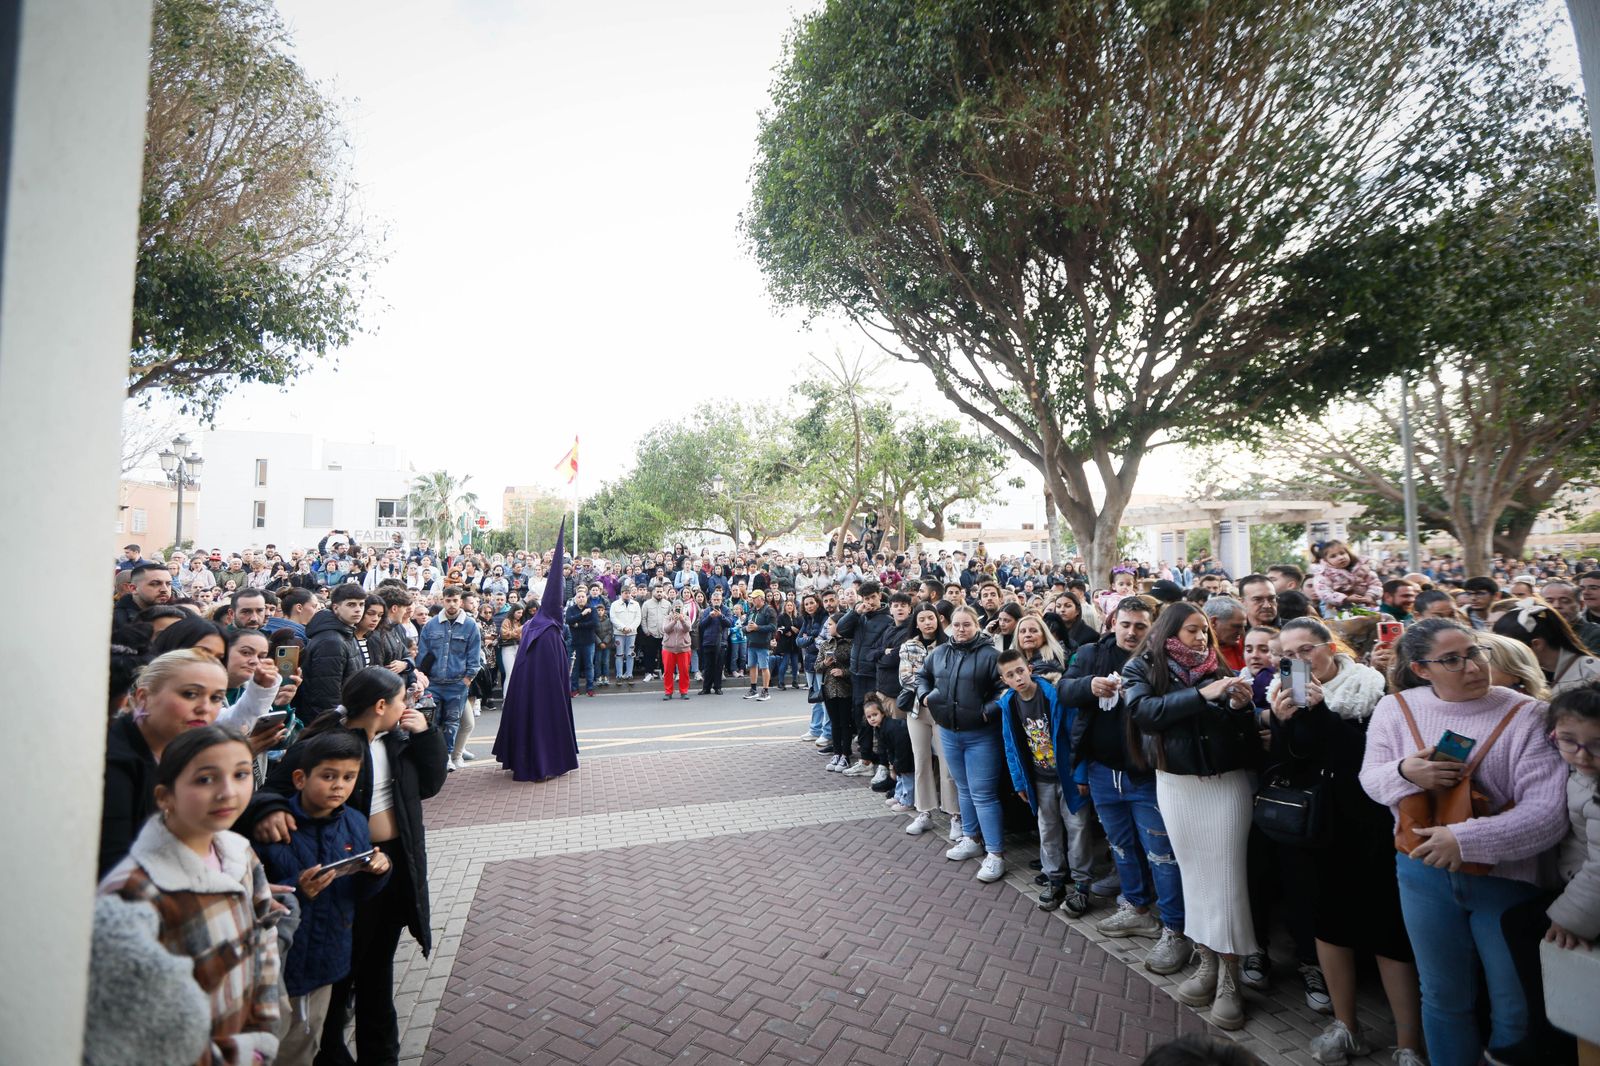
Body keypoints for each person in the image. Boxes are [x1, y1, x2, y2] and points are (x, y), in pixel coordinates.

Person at [1358, 619, 1568, 1066]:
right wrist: (1404, 772)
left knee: (1513, 1004)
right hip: (1421, 872)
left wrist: (1464, 838)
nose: (1473, 667)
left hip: (1507, 880)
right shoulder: (1395, 708)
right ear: (1421, 668)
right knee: (1441, 995)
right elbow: (1371, 779)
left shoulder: (1528, 714)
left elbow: (1548, 814)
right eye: (1452, 660)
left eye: (1475, 652)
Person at [245, 667, 447, 1065]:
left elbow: (429, 785)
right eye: (402, 700)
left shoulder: (398, 740)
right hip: (339, 877)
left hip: (389, 866)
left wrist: (427, 734)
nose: (408, 706)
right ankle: (330, 1049)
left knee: (378, 974)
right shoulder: (329, 745)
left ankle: (381, 1056)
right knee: (339, 976)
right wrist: (268, 810)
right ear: (380, 705)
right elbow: (273, 790)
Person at [1263, 618, 1423, 1066]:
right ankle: (1347, 1026)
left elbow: (1363, 759)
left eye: (1306, 650)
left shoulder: (1372, 689)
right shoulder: (1287, 695)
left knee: (1389, 934)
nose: (1299, 661)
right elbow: (1287, 764)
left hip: (1371, 826)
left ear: (1330, 647)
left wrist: (1322, 714)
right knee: (1329, 927)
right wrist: (1282, 724)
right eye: (1288, 655)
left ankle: (1408, 1043)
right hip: (1317, 829)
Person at [98, 725, 282, 1066]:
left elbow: (265, 940)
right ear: (164, 796)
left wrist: (262, 1035)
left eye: (241, 774)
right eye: (205, 779)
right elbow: (142, 1024)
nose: (228, 792)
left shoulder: (239, 853)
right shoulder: (134, 892)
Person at [1124, 601, 1262, 1031]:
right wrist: (1202, 695)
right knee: (1194, 877)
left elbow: (1243, 735)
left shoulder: (1218, 666)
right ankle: (1206, 961)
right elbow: (1144, 713)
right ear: (1170, 632)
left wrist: (1239, 708)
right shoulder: (1142, 668)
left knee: (1227, 881)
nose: (1202, 638)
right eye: (1192, 630)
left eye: (1204, 630)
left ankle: (1230, 976)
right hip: (1176, 784)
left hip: (1225, 783)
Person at [1063, 598, 1194, 974]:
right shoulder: (1092, 654)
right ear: (1112, 623)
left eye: (1140, 625)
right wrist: (1089, 685)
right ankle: (1136, 909)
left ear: (1153, 627)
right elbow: (1065, 691)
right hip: (1103, 772)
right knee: (1120, 847)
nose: (1132, 632)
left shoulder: (1162, 660)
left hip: (1147, 776)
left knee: (1162, 855)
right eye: (1125, 624)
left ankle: (1175, 929)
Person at [253, 730, 392, 1066]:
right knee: (274, 1050)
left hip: (329, 959)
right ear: (300, 779)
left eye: (348, 777)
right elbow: (255, 895)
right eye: (328, 776)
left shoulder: (355, 822)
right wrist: (299, 890)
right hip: (280, 964)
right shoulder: (274, 827)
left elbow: (357, 894)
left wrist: (377, 871)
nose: (338, 786)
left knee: (312, 1043)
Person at [997, 648, 1094, 915]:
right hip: (1039, 779)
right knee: (1047, 829)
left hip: (1067, 776)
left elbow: (1077, 735)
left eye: (1020, 671)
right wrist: (1019, 781)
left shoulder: (1054, 695)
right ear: (1004, 680)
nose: (1018, 678)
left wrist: (1081, 773)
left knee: (1078, 828)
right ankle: (1055, 880)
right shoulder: (1009, 704)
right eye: (1010, 675)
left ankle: (1082, 885)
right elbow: (1010, 745)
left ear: (1029, 669)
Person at [916, 605, 1006, 883]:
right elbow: (922, 676)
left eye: (967, 624)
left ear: (976, 625)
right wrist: (924, 696)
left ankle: (995, 854)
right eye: (957, 625)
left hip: (981, 734)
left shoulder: (991, 655)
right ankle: (971, 838)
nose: (961, 629)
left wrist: (986, 712)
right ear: (950, 626)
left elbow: (1004, 689)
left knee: (983, 794)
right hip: (949, 732)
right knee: (963, 788)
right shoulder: (939, 653)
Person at [897, 603, 956, 836]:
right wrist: (931, 687)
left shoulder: (949, 644)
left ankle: (955, 815)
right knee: (921, 761)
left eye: (930, 618)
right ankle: (924, 812)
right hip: (916, 709)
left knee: (947, 763)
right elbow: (905, 678)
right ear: (916, 623)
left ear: (938, 619)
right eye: (922, 619)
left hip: (943, 710)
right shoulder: (908, 646)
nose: (927, 623)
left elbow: (952, 677)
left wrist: (928, 685)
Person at [417, 586, 481, 759]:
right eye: (448, 600)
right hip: (433, 683)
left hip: (457, 683)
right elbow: (423, 654)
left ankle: (447, 757)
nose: (452, 604)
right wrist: (423, 678)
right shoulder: (431, 625)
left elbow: (474, 655)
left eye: (455, 600)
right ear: (443, 601)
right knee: (431, 721)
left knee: (452, 722)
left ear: (461, 601)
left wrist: (467, 679)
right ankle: (434, 757)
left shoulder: (470, 625)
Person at [1491, 601, 1600, 695]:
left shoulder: (1592, 673)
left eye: (1508, 648)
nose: (1503, 655)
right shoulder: (1521, 674)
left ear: (1537, 644)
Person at [299, 584, 369, 722]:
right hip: (328, 722)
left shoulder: (345, 632)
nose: (358, 609)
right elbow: (327, 696)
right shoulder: (331, 641)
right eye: (351, 604)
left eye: (361, 604)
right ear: (336, 608)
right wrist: (335, 725)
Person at [816, 616, 856, 774]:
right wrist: (825, 664)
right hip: (829, 690)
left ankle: (846, 755)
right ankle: (837, 753)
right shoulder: (825, 644)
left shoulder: (851, 643)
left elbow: (856, 667)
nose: (827, 627)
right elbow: (816, 666)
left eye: (830, 624)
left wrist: (843, 672)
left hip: (846, 689)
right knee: (835, 723)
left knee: (845, 723)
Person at [1310, 541, 1382, 615]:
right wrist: (1345, 598)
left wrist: (1370, 595)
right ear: (1326, 561)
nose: (1341, 557)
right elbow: (1324, 592)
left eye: (1342, 553)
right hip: (1337, 609)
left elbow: (1375, 583)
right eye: (1333, 556)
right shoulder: (1324, 574)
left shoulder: (1361, 568)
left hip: (1364, 604)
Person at [742, 589, 777, 702]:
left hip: (763, 644)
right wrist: (746, 629)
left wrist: (758, 628)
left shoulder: (769, 610)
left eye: (754, 598)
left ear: (761, 598)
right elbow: (743, 626)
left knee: (764, 667)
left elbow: (773, 627)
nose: (752, 599)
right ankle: (753, 689)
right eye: (752, 598)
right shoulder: (751, 610)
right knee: (752, 666)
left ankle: (765, 691)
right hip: (751, 643)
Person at [699, 589, 732, 696]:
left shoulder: (726, 610)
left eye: (718, 599)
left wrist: (720, 616)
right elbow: (701, 625)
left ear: (721, 600)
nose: (716, 601)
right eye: (715, 599)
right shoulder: (706, 611)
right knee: (708, 667)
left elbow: (729, 623)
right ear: (711, 600)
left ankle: (717, 687)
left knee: (718, 666)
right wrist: (710, 617)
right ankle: (706, 688)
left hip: (721, 642)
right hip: (708, 641)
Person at [661, 600, 693, 701]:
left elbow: (688, 629)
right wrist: (674, 621)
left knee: (684, 671)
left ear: (683, 609)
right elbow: (665, 629)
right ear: (672, 608)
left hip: (683, 648)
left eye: (680, 607)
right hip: (668, 648)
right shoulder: (667, 617)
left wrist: (682, 620)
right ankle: (668, 692)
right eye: (676, 607)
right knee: (668, 671)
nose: (678, 609)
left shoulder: (686, 617)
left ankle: (684, 691)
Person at [610, 586, 641, 686]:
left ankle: (629, 675)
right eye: (625, 593)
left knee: (630, 654)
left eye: (628, 593)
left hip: (631, 633)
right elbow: (613, 618)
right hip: (619, 633)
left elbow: (638, 618)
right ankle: (619, 675)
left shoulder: (635, 604)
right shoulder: (615, 604)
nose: (627, 594)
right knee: (619, 654)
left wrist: (631, 628)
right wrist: (623, 627)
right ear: (621, 593)